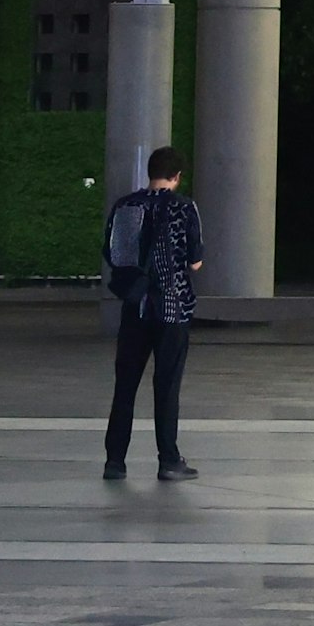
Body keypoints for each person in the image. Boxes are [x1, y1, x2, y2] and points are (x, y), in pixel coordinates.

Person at [104, 145, 204, 479]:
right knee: (167, 385)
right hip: (172, 308)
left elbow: (113, 254)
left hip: (135, 308)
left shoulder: (125, 205)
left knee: (125, 386)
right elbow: (195, 261)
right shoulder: (184, 207)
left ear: (151, 172)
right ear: (177, 176)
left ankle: (115, 463)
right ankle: (169, 460)